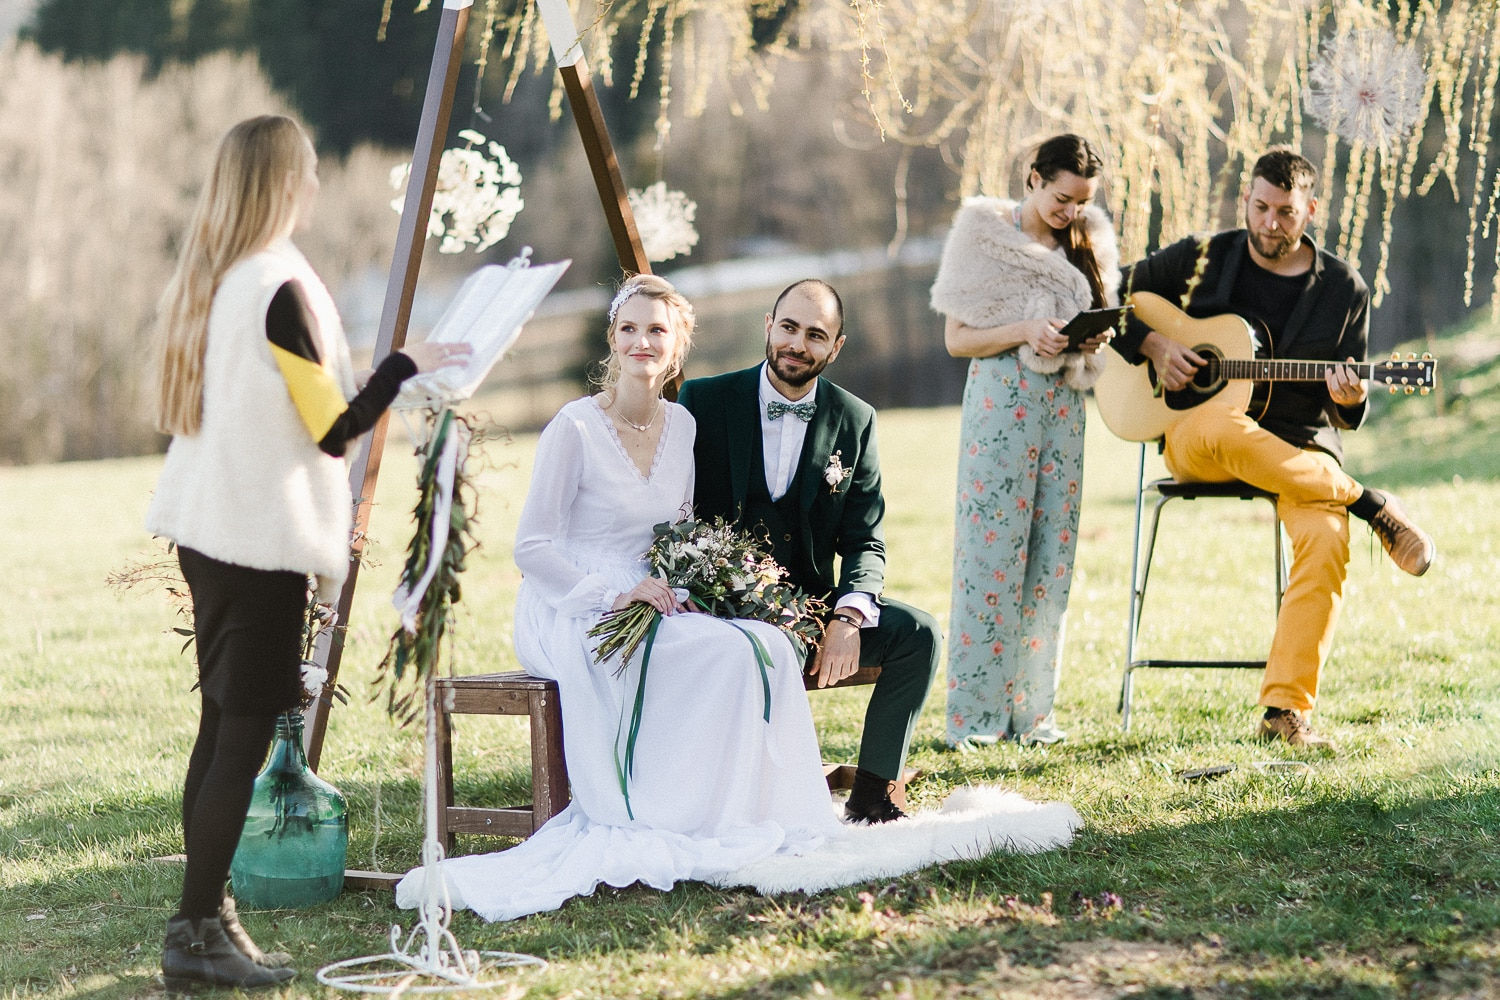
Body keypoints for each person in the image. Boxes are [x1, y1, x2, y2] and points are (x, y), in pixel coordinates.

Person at [396, 274, 844, 922]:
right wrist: (610, 596)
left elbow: (677, 530)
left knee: (764, 644)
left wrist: (682, 584)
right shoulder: (573, 428)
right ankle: (656, 810)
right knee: (681, 657)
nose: (642, 341)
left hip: (651, 593)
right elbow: (531, 547)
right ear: (613, 339)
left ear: (677, 346)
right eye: (629, 329)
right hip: (569, 605)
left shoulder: (684, 426)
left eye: (657, 330)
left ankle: (737, 808)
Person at [144, 114, 468, 989]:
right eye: (311, 169)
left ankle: (209, 920)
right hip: (254, 542)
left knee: (219, 732)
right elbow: (332, 430)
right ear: (284, 182)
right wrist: (404, 365)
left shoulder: (222, 277)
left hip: (214, 535)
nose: (319, 182)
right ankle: (192, 936)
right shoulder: (278, 285)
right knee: (240, 740)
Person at [1110, 146, 1436, 750]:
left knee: (1327, 539)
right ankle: (1370, 503)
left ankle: (1284, 710)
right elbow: (1111, 294)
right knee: (1226, 422)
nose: (1269, 223)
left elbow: (1347, 412)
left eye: (1285, 212)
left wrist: (1349, 393)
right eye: (1260, 207)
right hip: (1203, 438)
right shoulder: (1203, 258)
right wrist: (1154, 344)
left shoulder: (1344, 287)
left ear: (1310, 209)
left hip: (1302, 448)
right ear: (1246, 202)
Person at [677, 279, 943, 824]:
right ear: (768, 327)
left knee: (918, 634)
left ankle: (873, 792)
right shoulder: (703, 401)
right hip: (724, 609)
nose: (797, 344)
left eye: (815, 335)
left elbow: (866, 538)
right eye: (789, 328)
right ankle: (740, 795)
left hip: (817, 609)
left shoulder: (856, 419)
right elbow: (678, 514)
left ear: (836, 346)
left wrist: (848, 615)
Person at [929, 133, 1120, 749]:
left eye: (1082, 203)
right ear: (1034, 177)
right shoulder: (982, 236)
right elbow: (958, 339)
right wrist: (1022, 331)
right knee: (991, 556)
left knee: (1051, 558)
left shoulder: (1090, 240)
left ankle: (1033, 714)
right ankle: (975, 719)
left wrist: (1090, 339)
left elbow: (1100, 319)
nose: (1072, 213)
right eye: (1063, 199)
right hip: (1000, 401)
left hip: (1063, 408)